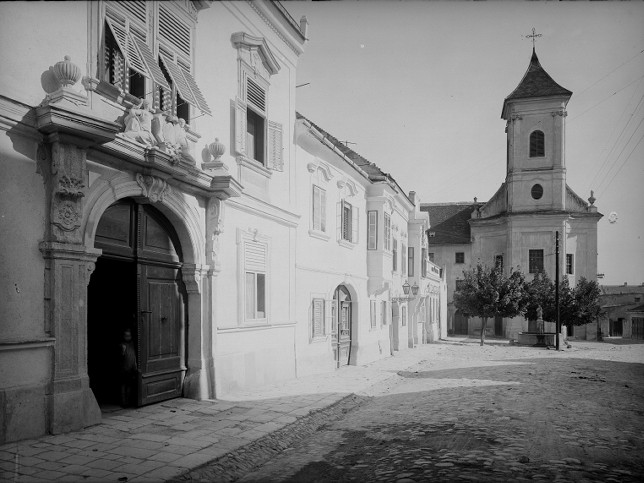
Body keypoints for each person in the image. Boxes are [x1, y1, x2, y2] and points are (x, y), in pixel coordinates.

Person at [119, 328, 137, 407]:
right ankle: (124, 402)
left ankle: (128, 401)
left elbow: (134, 356)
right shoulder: (122, 345)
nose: (127, 337)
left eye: (129, 335)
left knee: (129, 385)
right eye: (126, 335)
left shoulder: (132, 344)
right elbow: (120, 357)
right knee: (123, 385)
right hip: (123, 368)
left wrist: (135, 365)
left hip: (131, 368)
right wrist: (122, 350)